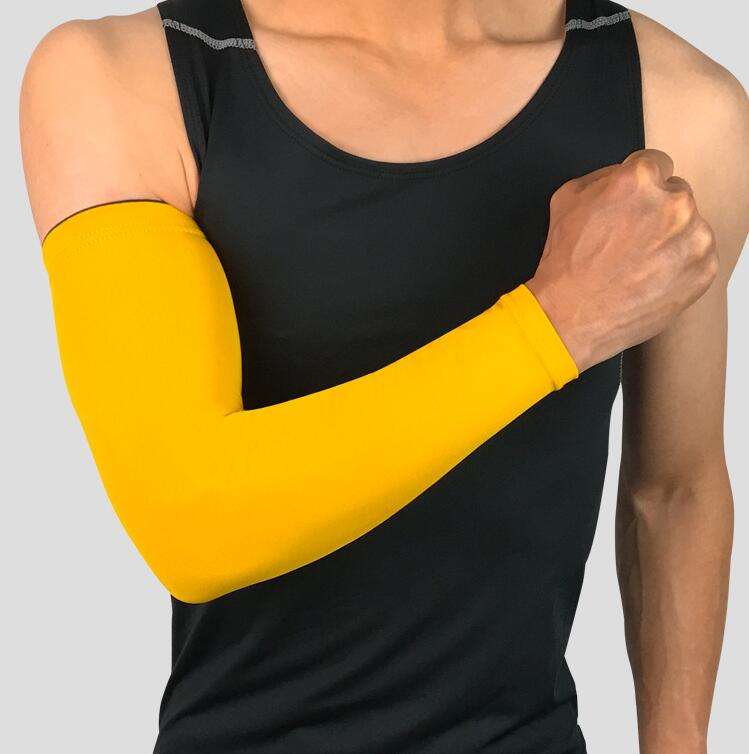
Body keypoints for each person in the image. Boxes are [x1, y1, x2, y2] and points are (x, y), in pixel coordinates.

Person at [20, 0, 747, 751]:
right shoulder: (127, 79)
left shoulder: (677, 105)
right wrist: (556, 323)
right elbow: (189, 517)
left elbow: (676, 488)